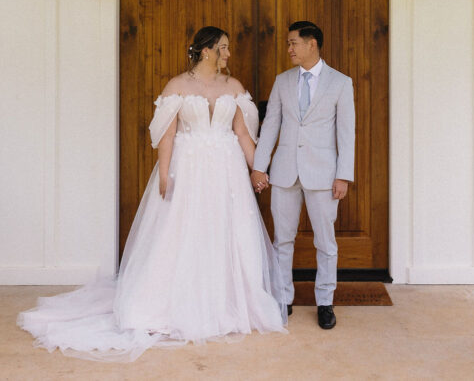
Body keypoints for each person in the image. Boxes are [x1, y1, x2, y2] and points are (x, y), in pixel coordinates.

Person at [18, 26, 287, 361]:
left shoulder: (233, 86)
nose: (229, 54)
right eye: (223, 48)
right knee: (181, 232)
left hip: (226, 170)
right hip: (188, 169)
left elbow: (243, 133)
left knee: (225, 231)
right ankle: (169, 305)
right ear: (206, 51)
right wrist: (164, 174)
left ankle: (230, 304)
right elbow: (168, 135)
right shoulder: (177, 85)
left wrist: (258, 169)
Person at [250, 21, 355, 330]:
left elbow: (346, 134)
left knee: (326, 241)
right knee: (282, 239)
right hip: (284, 171)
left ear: (312, 44)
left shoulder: (340, 83)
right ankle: (284, 299)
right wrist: (260, 165)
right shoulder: (282, 81)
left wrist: (343, 176)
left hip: (324, 174)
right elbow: (270, 125)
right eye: (288, 43)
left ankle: (325, 302)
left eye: (293, 43)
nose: (289, 49)